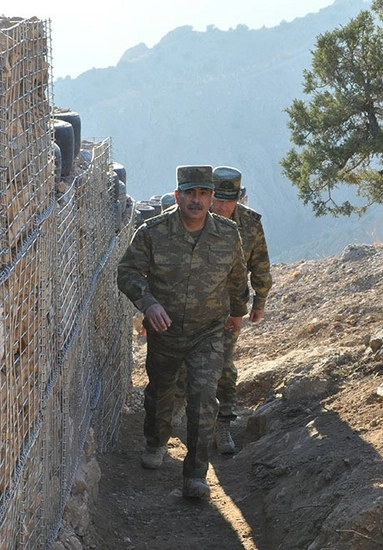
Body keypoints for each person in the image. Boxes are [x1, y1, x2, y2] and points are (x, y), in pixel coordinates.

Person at [117, 165, 249, 499]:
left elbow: (237, 276)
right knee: (161, 393)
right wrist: (148, 303)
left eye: (203, 194)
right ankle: (157, 441)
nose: (197, 200)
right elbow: (128, 271)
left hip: (209, 332)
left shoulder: (228, 234)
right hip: (166, 331)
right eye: (190, 193)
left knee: (204, 397)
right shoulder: (153, 233)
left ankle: (195, 475)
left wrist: (237, 312)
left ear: (211, 197)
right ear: (178, 196)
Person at [210, 166, 272, 454]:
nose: (221, 207)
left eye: (227, 201)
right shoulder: (194, 218)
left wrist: (259, 301)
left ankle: (223, 425)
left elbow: (259, 263)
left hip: (231, 307)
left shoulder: (249, 224)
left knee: (224, 364)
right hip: (191, 304)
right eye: (217, 200)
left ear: (238, 199)